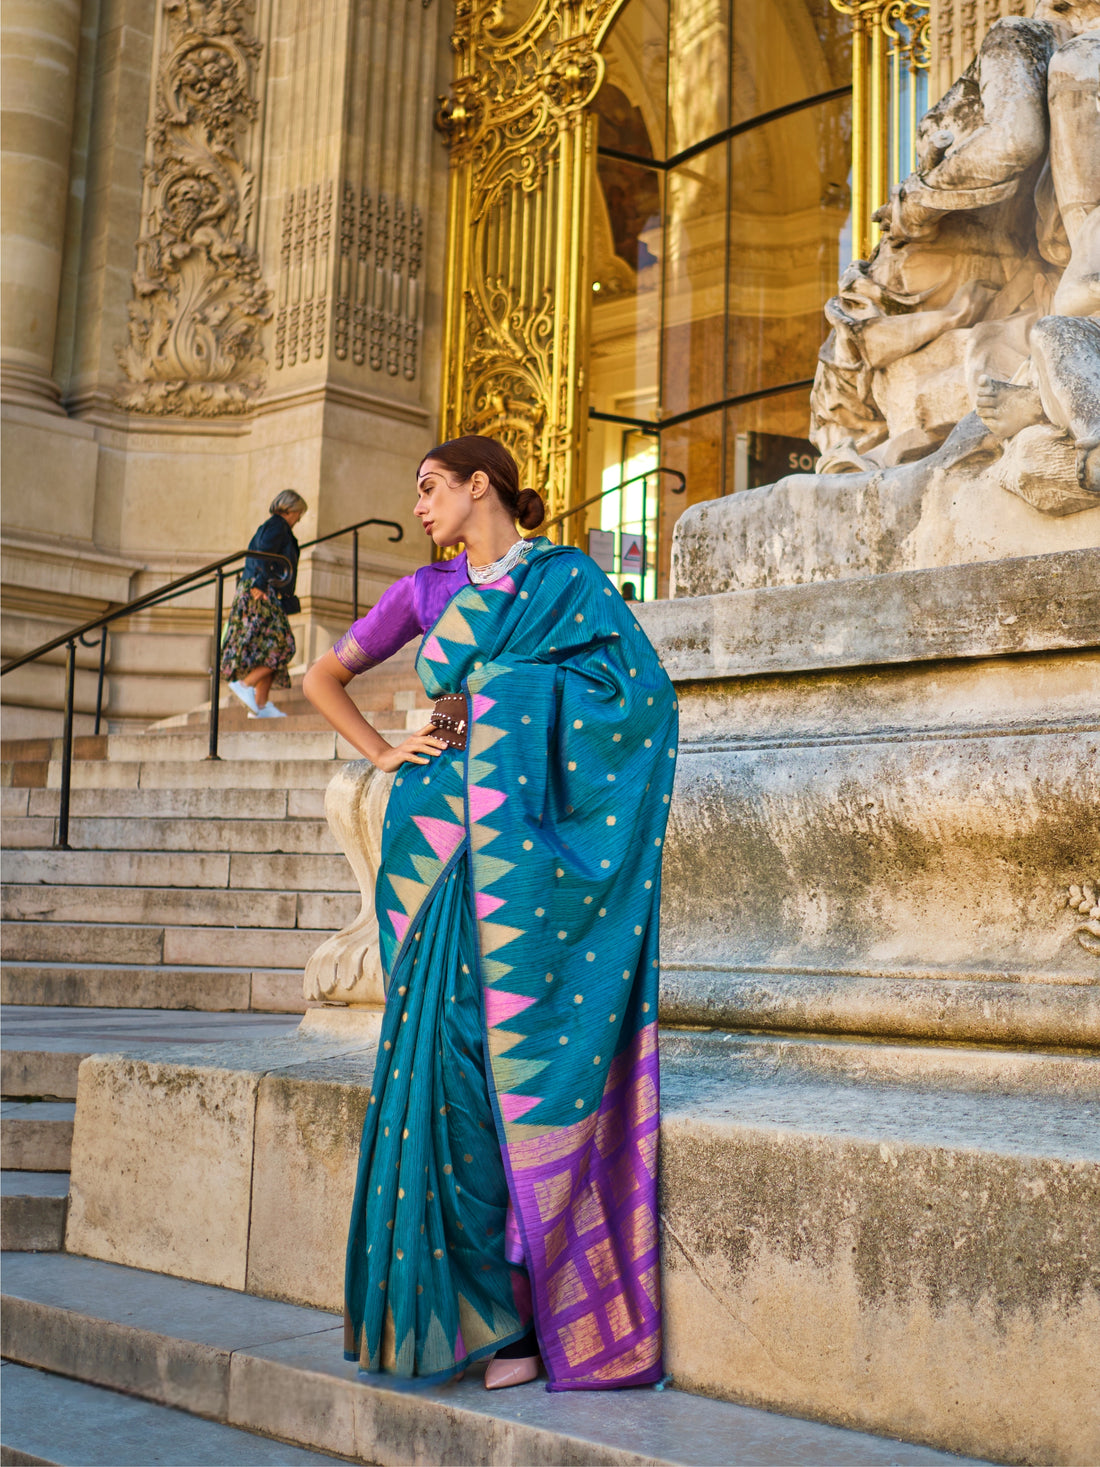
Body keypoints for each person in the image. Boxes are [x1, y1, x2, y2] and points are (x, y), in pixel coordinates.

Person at [303, 435, 677, 1392]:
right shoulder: (426, 593)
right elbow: (321, 675)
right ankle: (464, 1312)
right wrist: (386, 751)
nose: (421, 507)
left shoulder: (570, 580)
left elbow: (639, 700)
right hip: (431, 849)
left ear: (482, 487)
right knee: (438, 1066)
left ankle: (513, 1316)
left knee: (493, 1064)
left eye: (431, 488)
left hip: (520, 861)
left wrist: (504, 696)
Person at [222, 491, 307, 718]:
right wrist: (260, 583)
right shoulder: (277, 526)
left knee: (268, 648)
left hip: (262, 589)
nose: (299, 518)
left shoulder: (273, 526)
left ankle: (259, 705)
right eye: (298, 513)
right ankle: (245, 685)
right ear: (289, 510)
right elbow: (264, 553)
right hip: (261, 591)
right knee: (283, 645)